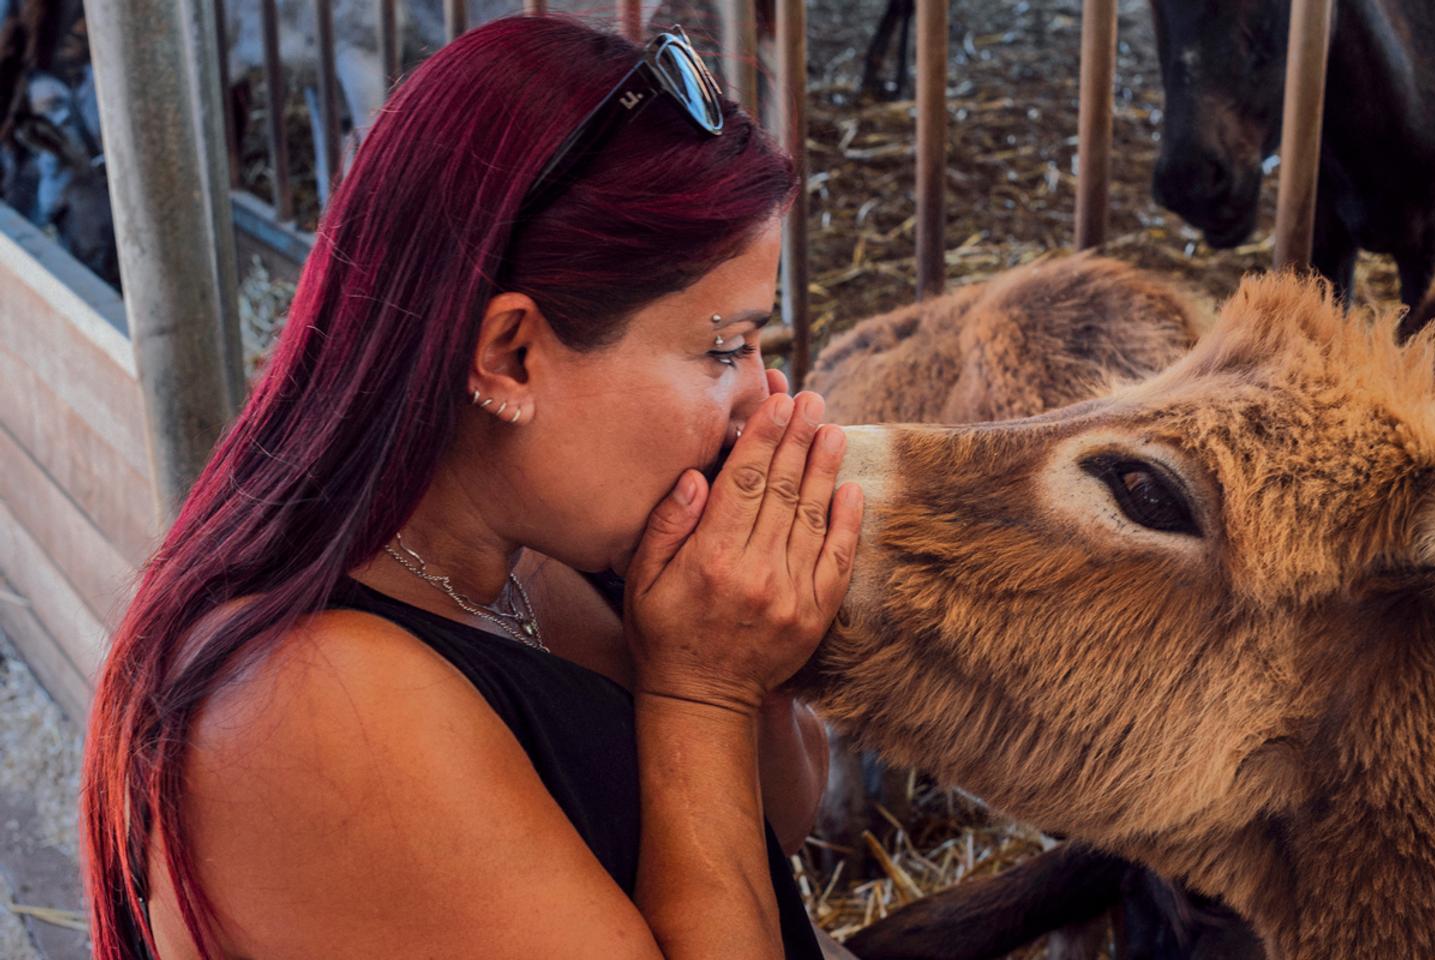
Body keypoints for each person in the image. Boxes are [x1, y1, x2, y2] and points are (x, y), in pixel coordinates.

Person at [80, 14, 863, 960]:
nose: (762, 400)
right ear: (510, 357)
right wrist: (702, 688)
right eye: (723, 346)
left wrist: (751, 657)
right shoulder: (319, 708)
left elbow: (768, 830)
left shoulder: (537, 544)